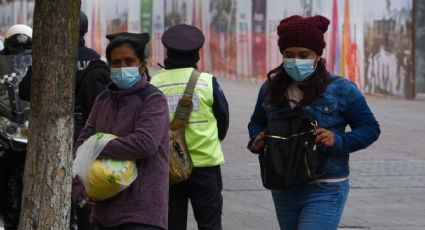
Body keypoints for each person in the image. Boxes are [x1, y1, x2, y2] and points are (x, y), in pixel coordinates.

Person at [247, 15, 380, 230]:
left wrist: (338, 140)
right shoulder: (270, 89)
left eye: (304, 55)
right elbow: (255, 123)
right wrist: (257, 140)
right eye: (289, 55)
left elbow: (370, 128)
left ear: (317, 55)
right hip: (283, 186)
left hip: (325, 186)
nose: (296, 60)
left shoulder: (342, 89)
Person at [72, 32, 170, 230]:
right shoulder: (103, 100)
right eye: (116, 62)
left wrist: (97, 144)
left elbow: (145, 144)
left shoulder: (153, 99)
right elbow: (81, 146)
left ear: (142, 65)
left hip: (141, 213)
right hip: (103, 209)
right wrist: (78, 187)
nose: (122, 67)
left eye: (129, 61)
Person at [150, 24, 229, 230]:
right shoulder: (208, 82)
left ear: (167, 53)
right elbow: (223, 121)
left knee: (172, 223)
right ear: (196, 54)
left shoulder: (154, 84)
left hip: (169, 167)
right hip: (205, 166)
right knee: (210, 223)